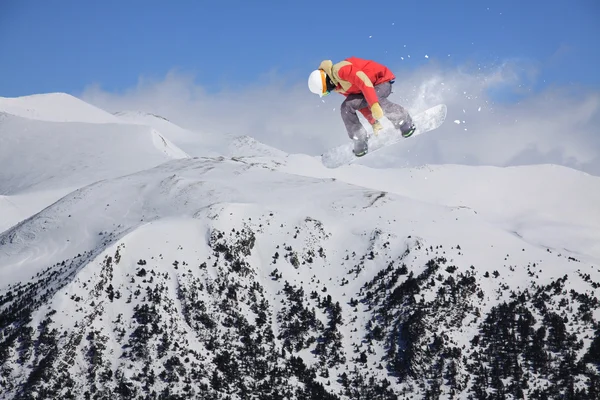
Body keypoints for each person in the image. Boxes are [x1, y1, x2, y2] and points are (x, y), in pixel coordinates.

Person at [308, 57, 415, 156]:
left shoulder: (341, 70)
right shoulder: (339, 87)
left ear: (327, 81)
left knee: (376, 98)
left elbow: (364, 81)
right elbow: (360, 104)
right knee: (346, 106)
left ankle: (402, 119)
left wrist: (373, 104)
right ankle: (359, 137)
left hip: (380, 81)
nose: (329, 92)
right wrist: (374, 122)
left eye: (326, 91)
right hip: (366, 91)